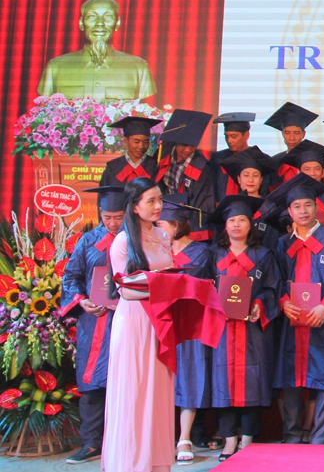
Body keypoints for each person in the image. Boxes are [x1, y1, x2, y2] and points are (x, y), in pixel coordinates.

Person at [269, 176, 324, 445]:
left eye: (308, 205)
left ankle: (319, 438)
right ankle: (292, 435)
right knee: (291, 377)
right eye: (297, 206)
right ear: (289, 211)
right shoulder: (283, 243)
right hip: (293, 319)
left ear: (317, 207)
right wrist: (283, 301)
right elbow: (275, 278)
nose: (303, 211)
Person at [102, 177, 174, 472]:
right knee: (134, 391)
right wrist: (165, 285)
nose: (158, 206)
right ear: (134, 207)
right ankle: (130, 462)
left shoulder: (164, 235)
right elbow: (127, 291)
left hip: (161, 320)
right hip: (134, 321)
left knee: (158, 392)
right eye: (151, 201)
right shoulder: (122, 241)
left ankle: (156, 462)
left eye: (160, 200)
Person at [209, 194, 282, 462]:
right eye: (232, 221)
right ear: (225, 225)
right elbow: (203, 288)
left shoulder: (263, 255)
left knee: (253, 383)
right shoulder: (213, 255)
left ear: (250, 224)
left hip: (253, 331)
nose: (237, 225)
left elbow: (273, 288)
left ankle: (248, 440)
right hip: (223, 331)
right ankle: (229, 441)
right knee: (223, 383)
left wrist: (260, 304)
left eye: (242, 220)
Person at [59, 186, 125, 465]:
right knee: (91, 381)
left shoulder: (134, 241)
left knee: (125, 380)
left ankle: (124, 441)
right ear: (100, 213)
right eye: (107, 217)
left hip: (125, 319)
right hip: (94, 320)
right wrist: (81, 300)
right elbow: (71, 276)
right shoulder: (88, 240)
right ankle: (90, 443)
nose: (113, 223)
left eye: (118, 217)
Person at [158, 195, 214, 465]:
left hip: (189, 325)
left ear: (178, 224)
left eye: (162, 224)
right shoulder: (157, 251)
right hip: (161, 323)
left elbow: (189, 285)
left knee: (189, 378)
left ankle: (184, 438)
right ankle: (161, 437)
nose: (158, 229)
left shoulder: (200, 252)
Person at [36, 0, 156, 100]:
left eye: (108, 17)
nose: (100, 23)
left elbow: (145, 113)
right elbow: (44, 112)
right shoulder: (56, 67)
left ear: (117, 23)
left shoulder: (138, 68)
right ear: (81, 23)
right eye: (92, 16)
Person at [155, 109, 216, 240]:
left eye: (192, 146)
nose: (188, 150)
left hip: (187, 224)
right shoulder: (163, 156)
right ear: (176, 141)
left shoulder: (201, 168)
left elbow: (201, 204)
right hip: (163, 217)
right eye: (184, 145)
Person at [264, 102, 319, 186]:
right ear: (282, 133)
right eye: (287, 133)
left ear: (303, 134)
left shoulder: (314, 160)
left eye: (296, 133)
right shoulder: (274, 162)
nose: (291, 138)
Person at [100, 116, 162, 187]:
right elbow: (104, 192)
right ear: (126, 140)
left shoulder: (155, 167)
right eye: (136, 141)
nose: (141, 146)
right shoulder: (113, 167)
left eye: (146, 142)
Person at [210, 112, 257, 200]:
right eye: (226, 136)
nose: (229, 141)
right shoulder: (218, 158)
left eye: (233, 136)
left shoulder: (258, 159)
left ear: (246, 135)